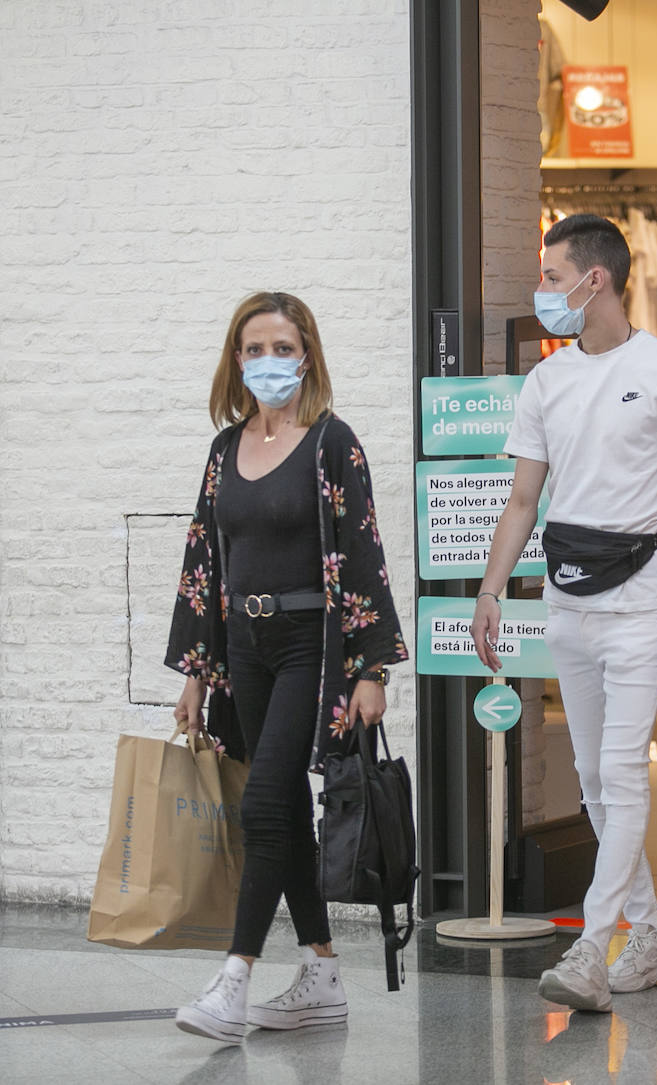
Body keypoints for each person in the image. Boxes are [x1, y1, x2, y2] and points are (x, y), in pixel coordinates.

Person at [471, 214, 657, 1012]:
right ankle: (653, 934)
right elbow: (521, 499)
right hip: (565, 597)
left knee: (620, 771)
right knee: (592, 781)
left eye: (550, 277)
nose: (540, 291)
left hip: (642, 598)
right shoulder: (547, 381)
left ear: (595, 280)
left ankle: (592, 945)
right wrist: (489, 588)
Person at [166, 292, 409, 1043]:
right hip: (244, 647)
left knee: (266, 803)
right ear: (235, 361)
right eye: (252, 348)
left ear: (307, 355)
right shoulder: (222, 450)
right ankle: (323, 974)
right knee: (283, 814)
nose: (267, 361)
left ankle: (233, 979)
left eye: (281, 346)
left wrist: (372, 668)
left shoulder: (333, 443)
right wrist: (196, 675)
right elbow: (206, 563)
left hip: (313, 643)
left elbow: (363, 552)